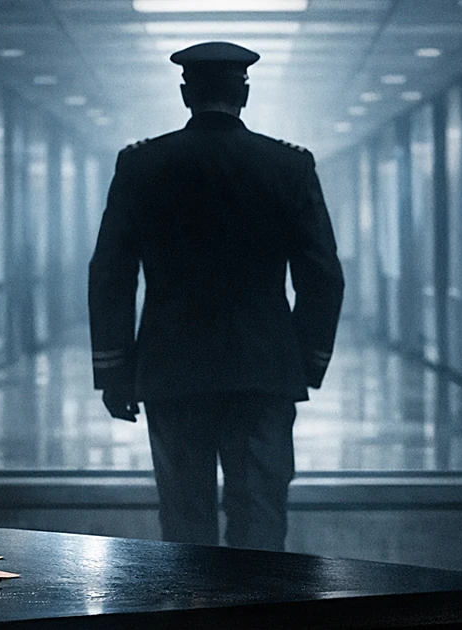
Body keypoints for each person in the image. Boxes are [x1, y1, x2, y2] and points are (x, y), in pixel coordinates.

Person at [87, 41, 344, 552]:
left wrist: (115, 372)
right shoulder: (288, 167)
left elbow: (111, 274)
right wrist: (305, 362)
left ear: (186, 94)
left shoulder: (142, 166)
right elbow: (323, 277)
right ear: (243, 94)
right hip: (263, 372)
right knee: (261, 522)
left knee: (184, 527)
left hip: (173, 370)